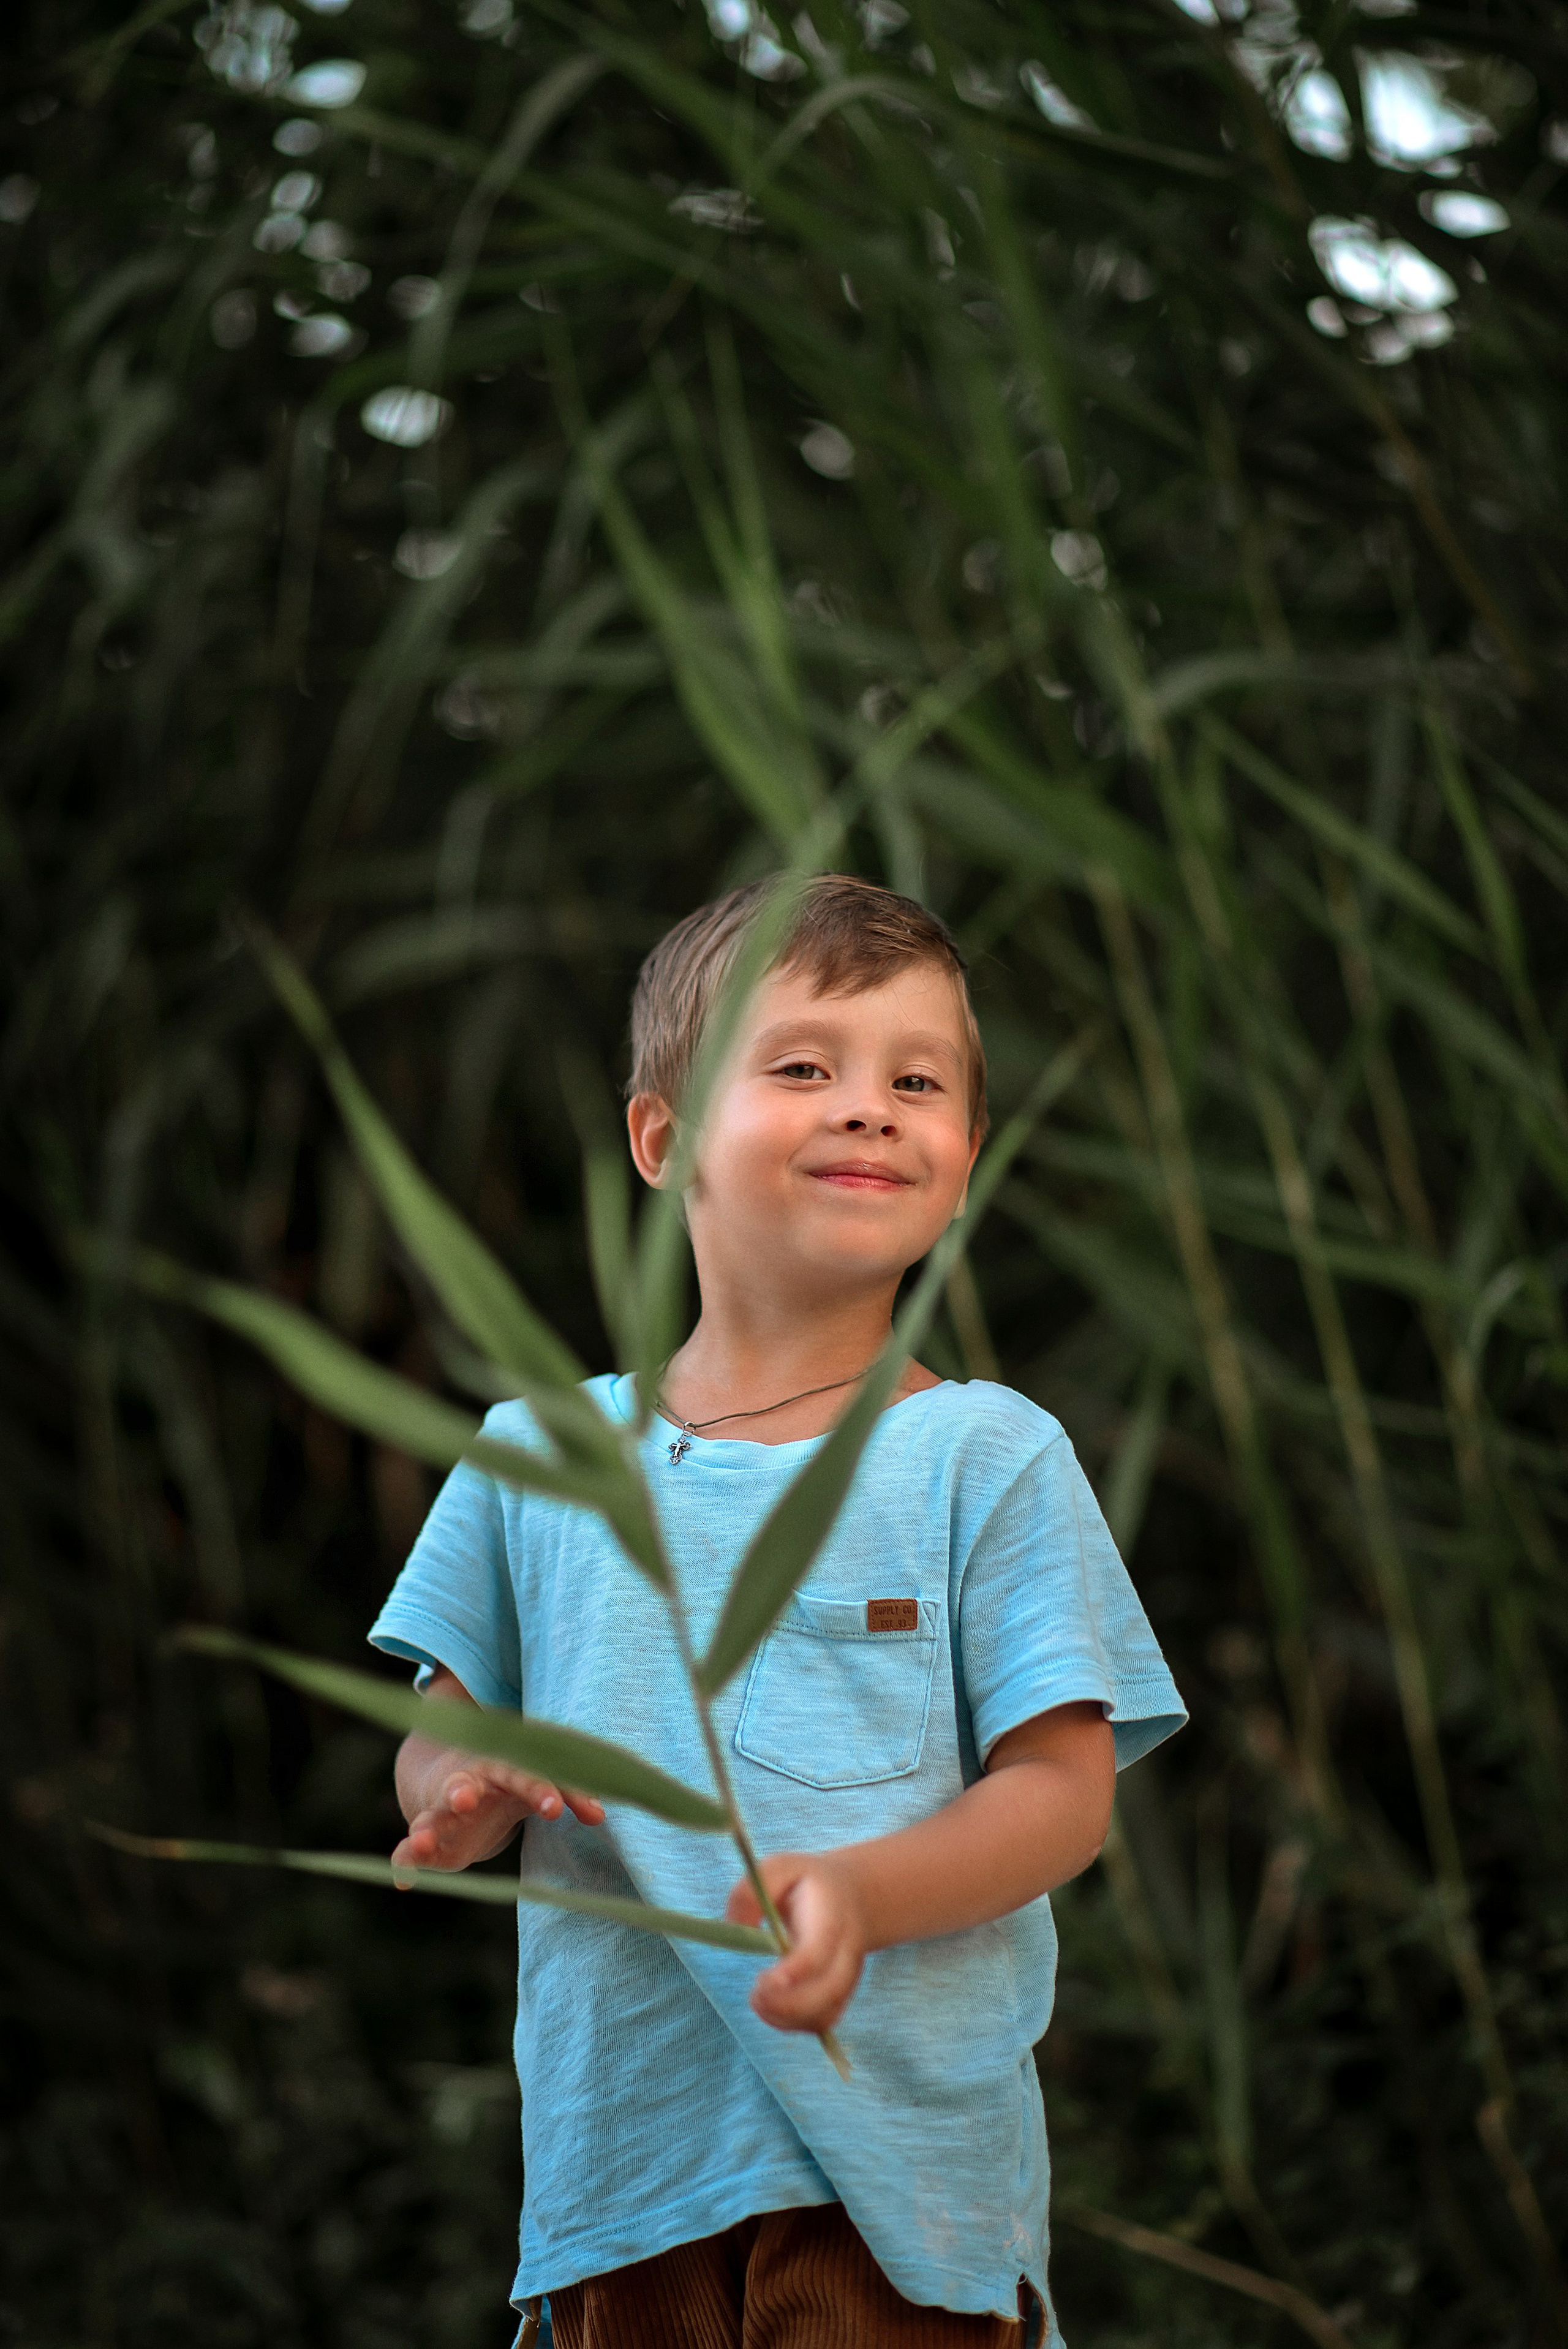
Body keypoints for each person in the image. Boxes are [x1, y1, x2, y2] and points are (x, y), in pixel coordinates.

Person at [369, 875, 1185, 2348]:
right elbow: (440, 1729)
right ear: (662, 1137)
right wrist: (461, 1788)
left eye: (915, 1080)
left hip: (894, 2187)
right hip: (620, 2178)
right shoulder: (541, 1459)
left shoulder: (984, 1455)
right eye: (802, 1063)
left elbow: (1064, 1796)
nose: (867, 1107)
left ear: (963, 1154)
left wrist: (863, 1895)